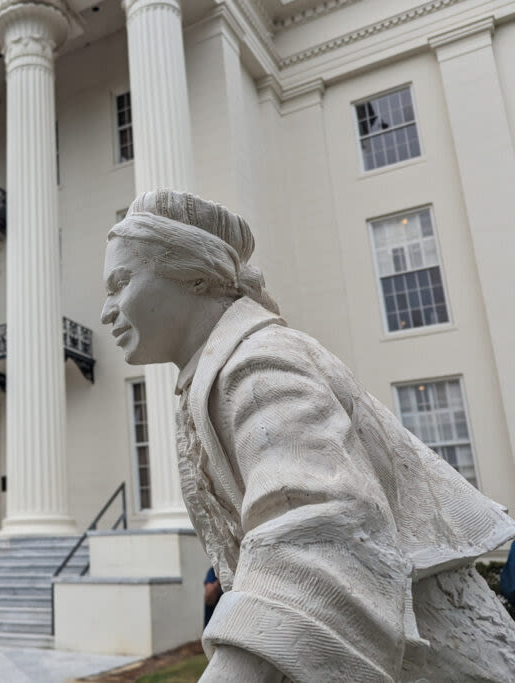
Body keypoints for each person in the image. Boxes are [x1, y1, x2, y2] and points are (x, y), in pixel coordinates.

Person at [100, 189, 515, 682]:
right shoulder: (218, 373)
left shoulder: (258, 364)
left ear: (195, 273)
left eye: (120, 282)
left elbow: (316, 529)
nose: (107, 310)